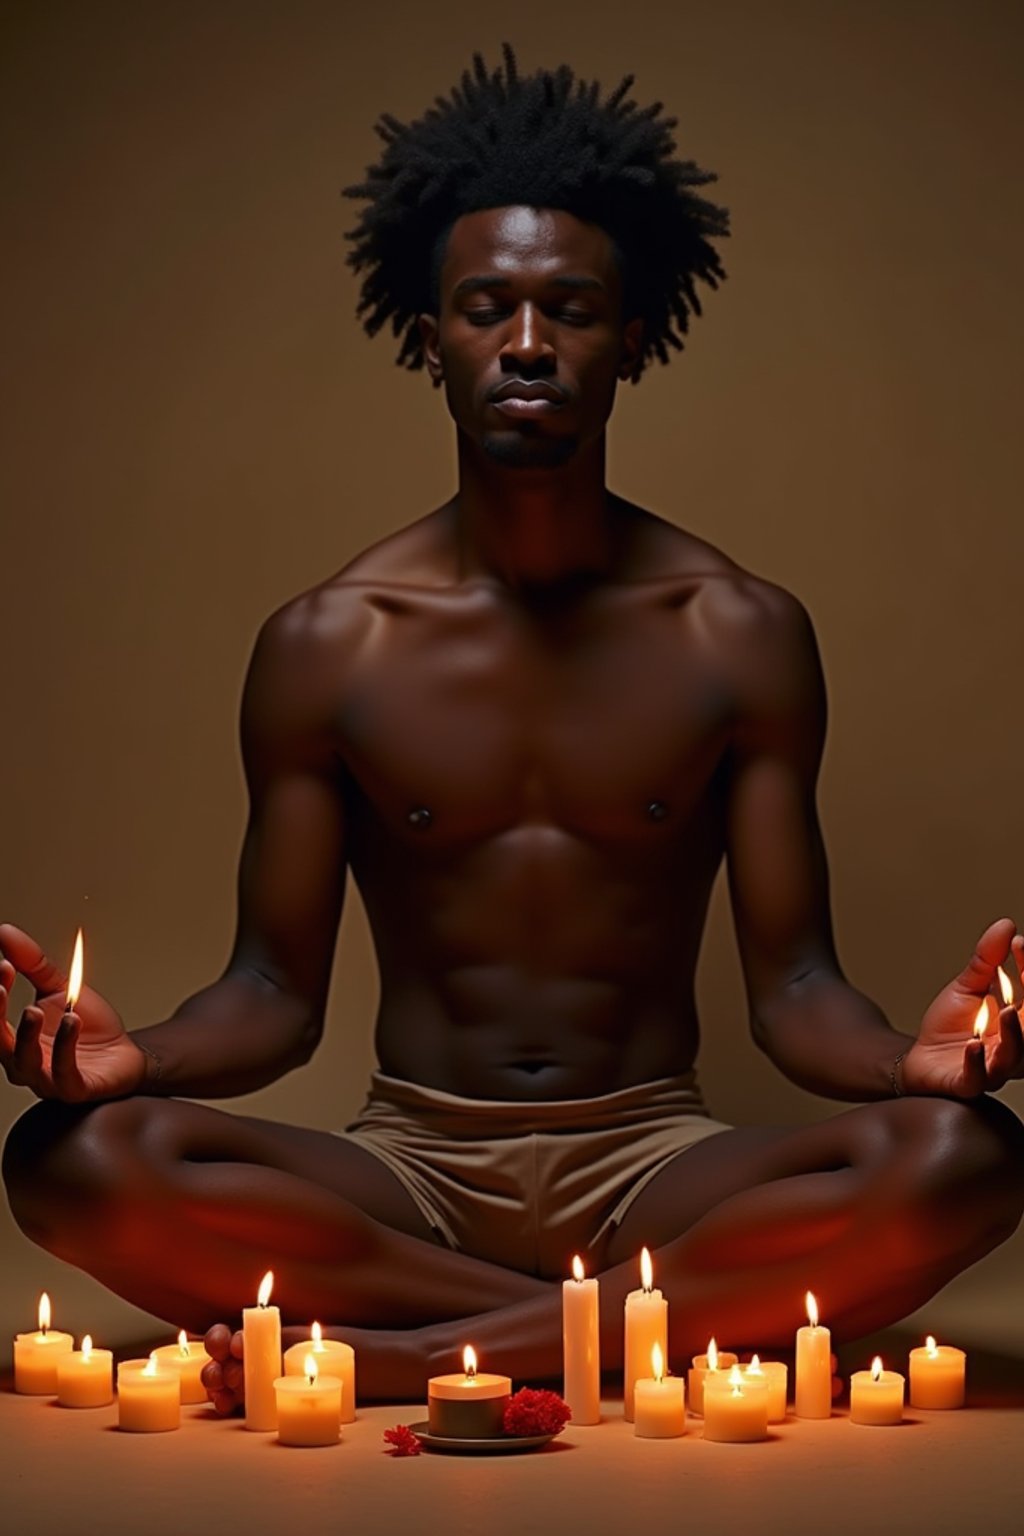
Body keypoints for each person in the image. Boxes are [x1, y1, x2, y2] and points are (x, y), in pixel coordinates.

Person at [3, 47, 1023, 1410]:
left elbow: (793, 997)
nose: (528, 344)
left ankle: (407, 1358)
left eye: (571, 310)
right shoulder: (327, 644)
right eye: (488, 308)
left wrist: (915, 1060)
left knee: (968, 1159)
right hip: (409, 1167)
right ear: (430, 337)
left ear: (634, 337)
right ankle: (608, 1332)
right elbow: (270, 999)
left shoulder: (740, 632)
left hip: (657, 1160)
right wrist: (137, 1061)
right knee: (71, 1160)